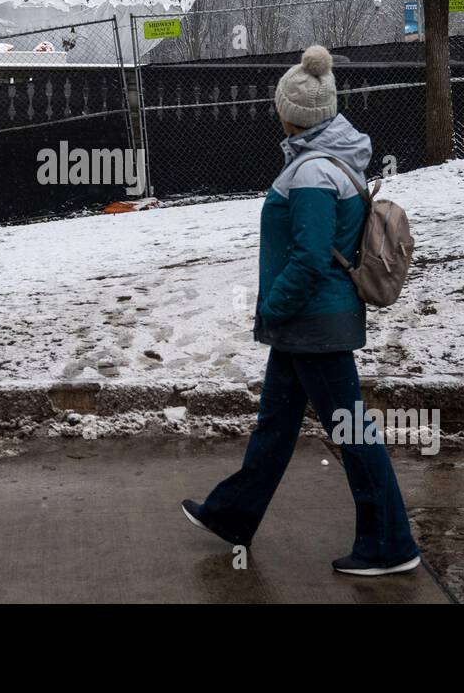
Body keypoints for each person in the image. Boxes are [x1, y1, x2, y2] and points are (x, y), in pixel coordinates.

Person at [181, 44, 422, 576]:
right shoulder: (333, 157)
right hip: (308, 325)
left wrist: (274, 304)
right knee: (275, 425)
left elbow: (310, 257)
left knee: (352, 432)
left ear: (290, 114)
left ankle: (390, 544)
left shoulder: (313, 172)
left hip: (314, 324)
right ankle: (233, 515)